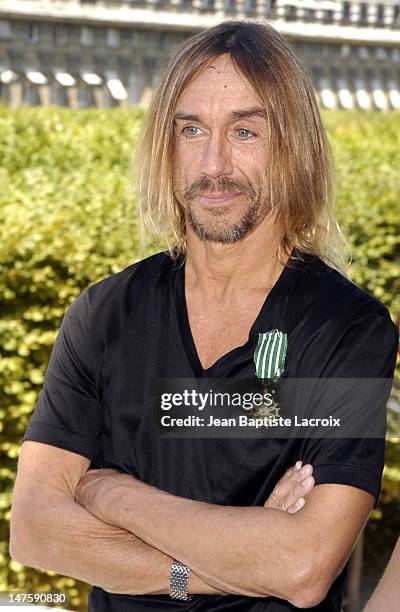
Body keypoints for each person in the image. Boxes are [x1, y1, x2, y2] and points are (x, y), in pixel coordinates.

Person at [10, 19, 398, 612]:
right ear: (166, 148)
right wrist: (223, 566)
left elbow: (302, 566)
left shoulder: (348, 329)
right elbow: (35, 530)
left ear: (294, 148)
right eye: (192, 129)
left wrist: (114, 496)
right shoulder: (104, 313)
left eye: (245, 132)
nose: (213, 164)